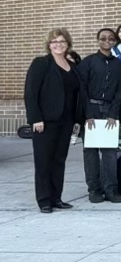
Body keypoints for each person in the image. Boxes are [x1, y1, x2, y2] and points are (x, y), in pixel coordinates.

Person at [24, 29, 81, 213]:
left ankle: (56, 198)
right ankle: (44, 200)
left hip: (66, 121)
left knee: (59, 160)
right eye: (54, 42)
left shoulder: (71, 65)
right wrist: (36, 118)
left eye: (62, 41)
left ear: (68, 44)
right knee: (43, 161)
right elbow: (31, 93)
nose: (58, 44)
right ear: (49, 45)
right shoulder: (41, 63)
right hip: (45, 122)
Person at [76, 28, 121, 204]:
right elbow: (81, 88)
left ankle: (111, 189)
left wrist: (113, 113)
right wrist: (87, 114)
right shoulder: (88, 62)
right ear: (98, 40)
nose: (107, 41)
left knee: (109, 152)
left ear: (115, 42)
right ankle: (94, 190)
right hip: (91, 110)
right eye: (103, 38)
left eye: (111, 38)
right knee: (90, 152)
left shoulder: (119, 65)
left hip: (109, 111)